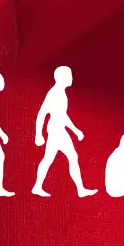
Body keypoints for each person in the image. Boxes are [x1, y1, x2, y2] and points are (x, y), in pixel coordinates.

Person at [31, 65, 95, 196]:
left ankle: (80, 189)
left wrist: (75, 130)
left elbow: (62, 115)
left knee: (62, 157)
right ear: (61, 78)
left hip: (58, 129)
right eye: (69, 75)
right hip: (56, 131)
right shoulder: (54, 94)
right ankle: (38, 187)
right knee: (56, 158)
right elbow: (42, 113)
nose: (71, 78)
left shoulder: (60, 93)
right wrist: (38, 134)